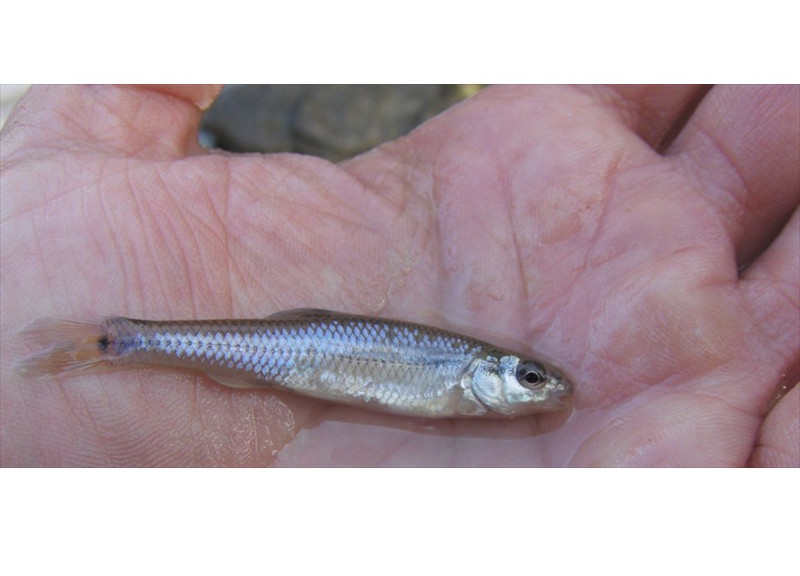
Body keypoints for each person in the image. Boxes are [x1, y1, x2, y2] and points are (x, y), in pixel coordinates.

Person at [0, 84, 797, 467]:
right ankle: (122, 340)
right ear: (487, 372)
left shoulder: (464, 380)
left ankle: (123, 341)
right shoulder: (459, 377)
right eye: (526, 378)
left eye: (529, 379)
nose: (536, 388)